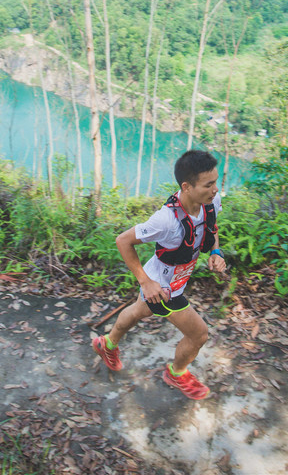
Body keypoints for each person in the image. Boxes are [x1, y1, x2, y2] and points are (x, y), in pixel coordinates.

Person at [92, 150, 226, 400]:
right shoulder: (165, 221)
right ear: (186, 187)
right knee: (199, 334)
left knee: (137, 312)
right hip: (163, 288)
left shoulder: (210, 202)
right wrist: (147, 282)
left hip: (172, 280)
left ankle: (106, 344)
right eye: (208, 185)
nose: (215, 189)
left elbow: (212, 227)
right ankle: (176, 373)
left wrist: (216, 251)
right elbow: (123, 241)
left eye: (216, 182)